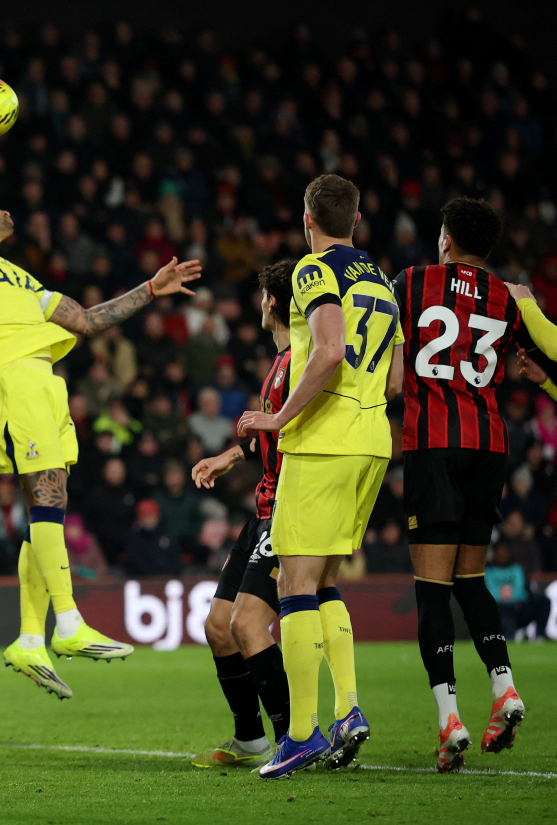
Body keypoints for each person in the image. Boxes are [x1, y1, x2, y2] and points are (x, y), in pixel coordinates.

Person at [0, 188, 201, 698]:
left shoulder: (19, 275)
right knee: (47, 498)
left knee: (48, 504)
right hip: (12, 379)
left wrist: (150, 289)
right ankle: (70, 622)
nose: (8, 210)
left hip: (47, 383)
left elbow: (87, 321)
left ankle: (32, 638)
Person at [238, 174, 404, 779]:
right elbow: (394, 382)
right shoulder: (381, 280)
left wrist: (280, 416)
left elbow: (330, 351)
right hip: (373, 443)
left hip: (323, 445)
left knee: (293, 586)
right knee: (326, 582)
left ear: (310, 218)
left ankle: (302, 734)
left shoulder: (314, 271)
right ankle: (348, 710)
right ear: (355, 220)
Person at [395, 197, 531, 771]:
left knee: (432, 587)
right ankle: (504, 688)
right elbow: (535, 356)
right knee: (470, 578)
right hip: (490, 445)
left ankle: (450, 719)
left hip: (433, 444)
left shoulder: (412, 281)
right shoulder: (508, 296)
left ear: (446, 239)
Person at [189, 258, 296, 769]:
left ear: (270, 303)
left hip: (288, 513)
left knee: (249, 624)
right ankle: (250, 739)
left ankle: (293, 739)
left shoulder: (303, 361)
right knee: (217, 625)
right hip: (261, 509)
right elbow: (272, 437)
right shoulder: (279, 363)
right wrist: (229, 456)